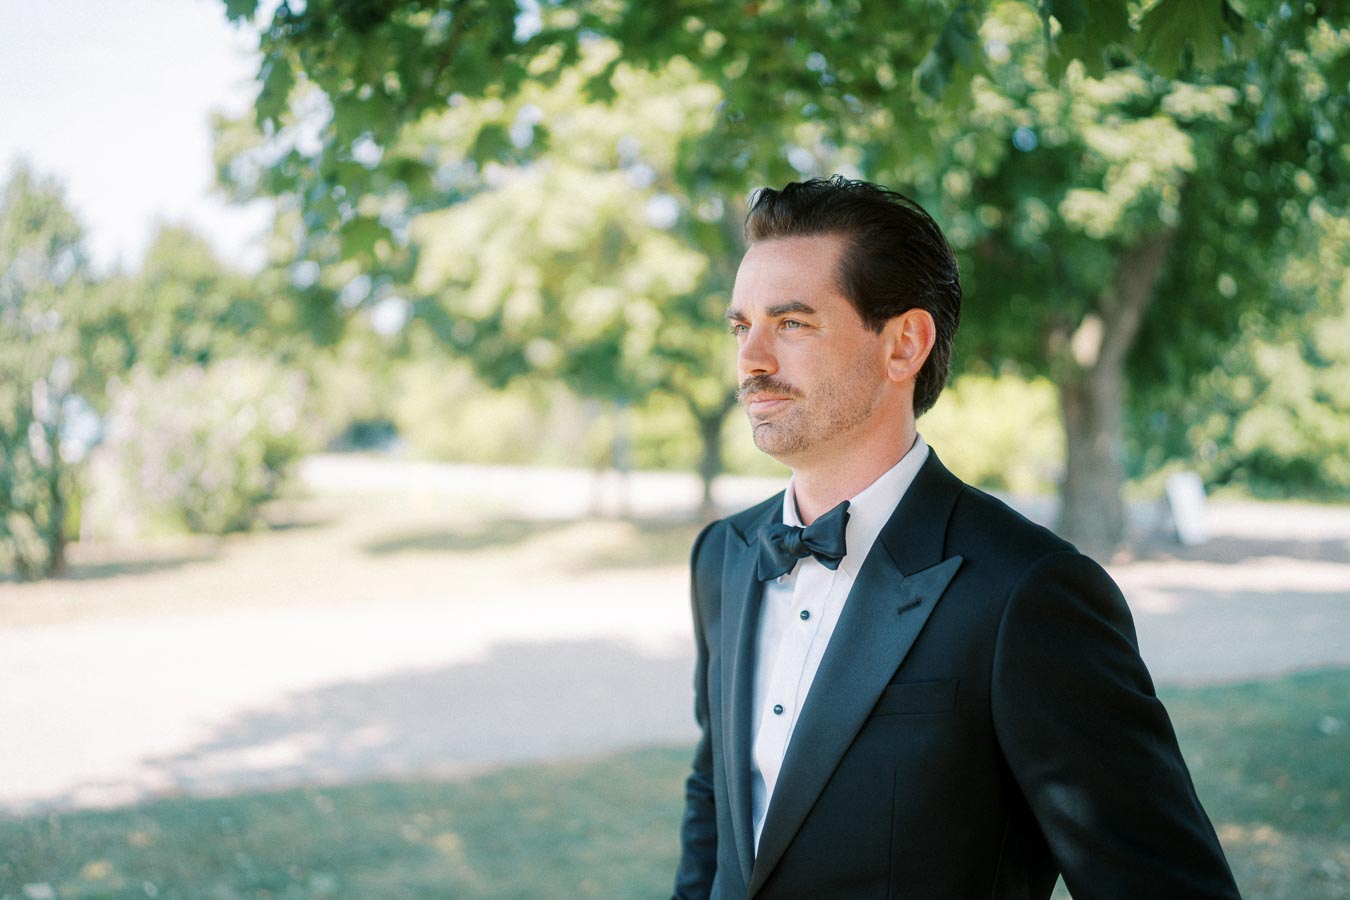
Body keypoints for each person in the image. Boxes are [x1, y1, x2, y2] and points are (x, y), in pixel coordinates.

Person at [672, 176, 1240, 899]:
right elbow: (715, 808)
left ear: (904, 343)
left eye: (792, 324)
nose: (751, 360)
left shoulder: (1029, 593)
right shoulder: (720, 557)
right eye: (740, 326)